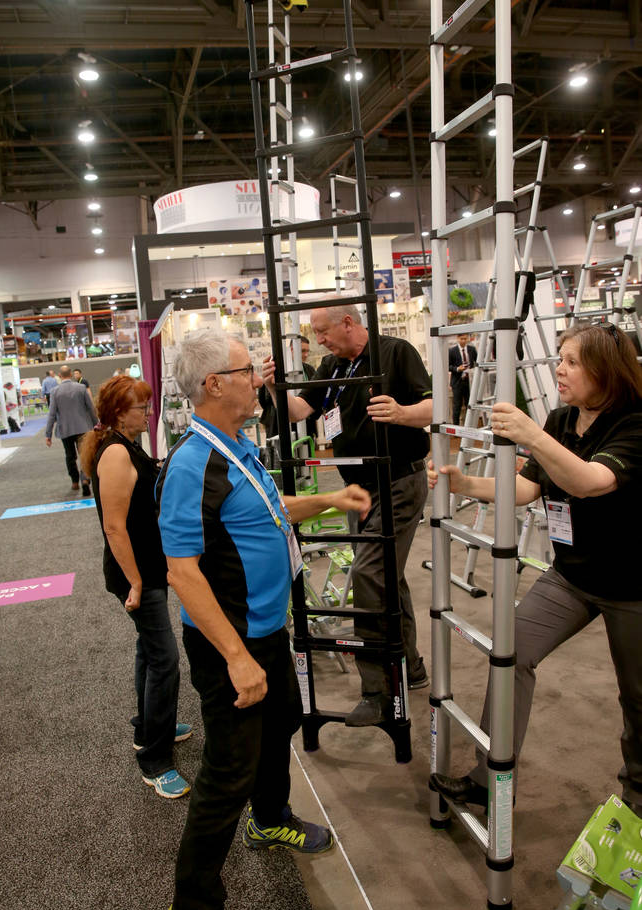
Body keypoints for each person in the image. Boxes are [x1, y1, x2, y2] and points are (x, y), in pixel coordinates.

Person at [154, 328, 371, 910]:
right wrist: (236, 658)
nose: (261, 377)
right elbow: (182, 572)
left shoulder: (238, 447)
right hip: (233, 648)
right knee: (226, 775)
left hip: (267, 633)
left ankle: (271, 818)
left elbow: (270, 509)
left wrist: (329, 499)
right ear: (215, 384)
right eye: (250, 369)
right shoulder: (193, 465)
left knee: (280, 729)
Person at [430, 322, 642, 817]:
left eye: (571, 362)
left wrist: (529, 433)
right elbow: (528, 489)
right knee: (510, 654)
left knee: (637, 697)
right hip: (572, 576)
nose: (559, 369)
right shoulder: (563, 418)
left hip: (633, 586)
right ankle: (490, 777)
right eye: (560, 358)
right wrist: (465, 485)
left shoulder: (634, 422)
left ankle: (636, 800)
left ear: (605, 370)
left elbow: (590, 482)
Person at [262, 303, 433, 727]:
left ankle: (378, 691)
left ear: (349, 323)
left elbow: (436, 409)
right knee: (387, 577)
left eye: (322, 332)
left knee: (368, 575)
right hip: (360, 490)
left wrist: (402, 414)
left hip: (398, 482)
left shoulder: (395, 353)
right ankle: (411, 666)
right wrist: (272, 388)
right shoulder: (331, 367)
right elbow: (300, 411)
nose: (318, 340)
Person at [80, 375, 191, 800]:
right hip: (135, 575)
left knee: (149, 650)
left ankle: (149, 727)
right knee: (165, 660)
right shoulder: (113, 455)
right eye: (139, 407)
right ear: (117, 412)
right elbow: (113, 526)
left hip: (145, 570)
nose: (147, 412)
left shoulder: (127, 445)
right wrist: (137, 581)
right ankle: (155, 760)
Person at [45, 365, 98, 495]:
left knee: (70, 456)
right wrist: (97, 425)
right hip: (83, 427)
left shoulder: (54, 392)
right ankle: (85, 479)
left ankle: (74, 482)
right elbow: (90, 408)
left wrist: (48, 434)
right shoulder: (81, 388)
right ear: (71, 374)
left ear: (60, 375)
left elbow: (51, 414)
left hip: (65, 429)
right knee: (84, 454)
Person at [257, 334, 315, 441]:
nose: (306, 355)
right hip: (277, 424)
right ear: (292, 350)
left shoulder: (309, 370)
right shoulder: (277, 370)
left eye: (308, 351)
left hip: (305, 424)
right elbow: (263, 399)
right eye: (302, 351)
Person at [448, 333, 477, 425]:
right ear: (457, 338)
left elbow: (477, 362)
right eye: (462, 339)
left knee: (470, 404)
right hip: (457, 382)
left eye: (465, 338)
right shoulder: (452, 351)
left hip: (469, 382)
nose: (464, 341)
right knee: (457, 406)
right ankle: (456, 427)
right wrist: (457, 369)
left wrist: (473, 370)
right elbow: (448, 366)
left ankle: (470, 425)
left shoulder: (472, 350)